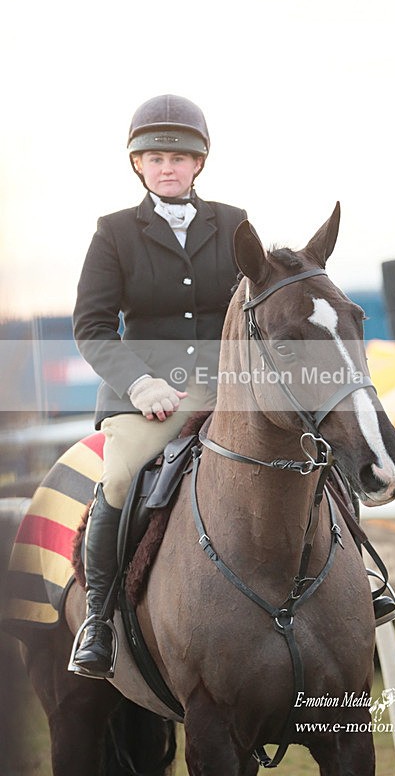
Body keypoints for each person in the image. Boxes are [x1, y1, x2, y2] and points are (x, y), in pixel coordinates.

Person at [70, 94, 248, 678]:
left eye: (178, 157)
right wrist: (140, 383)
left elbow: (257, 305)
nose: (167, 167)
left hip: (228, 387)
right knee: (122, 476)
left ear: (198, 163)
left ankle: (362, 577)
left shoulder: (235, 223)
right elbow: (92, 327)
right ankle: (98, 619)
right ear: (138, 164)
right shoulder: (114, 233)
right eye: (155, 158)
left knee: (310, 445)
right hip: (147, 395)